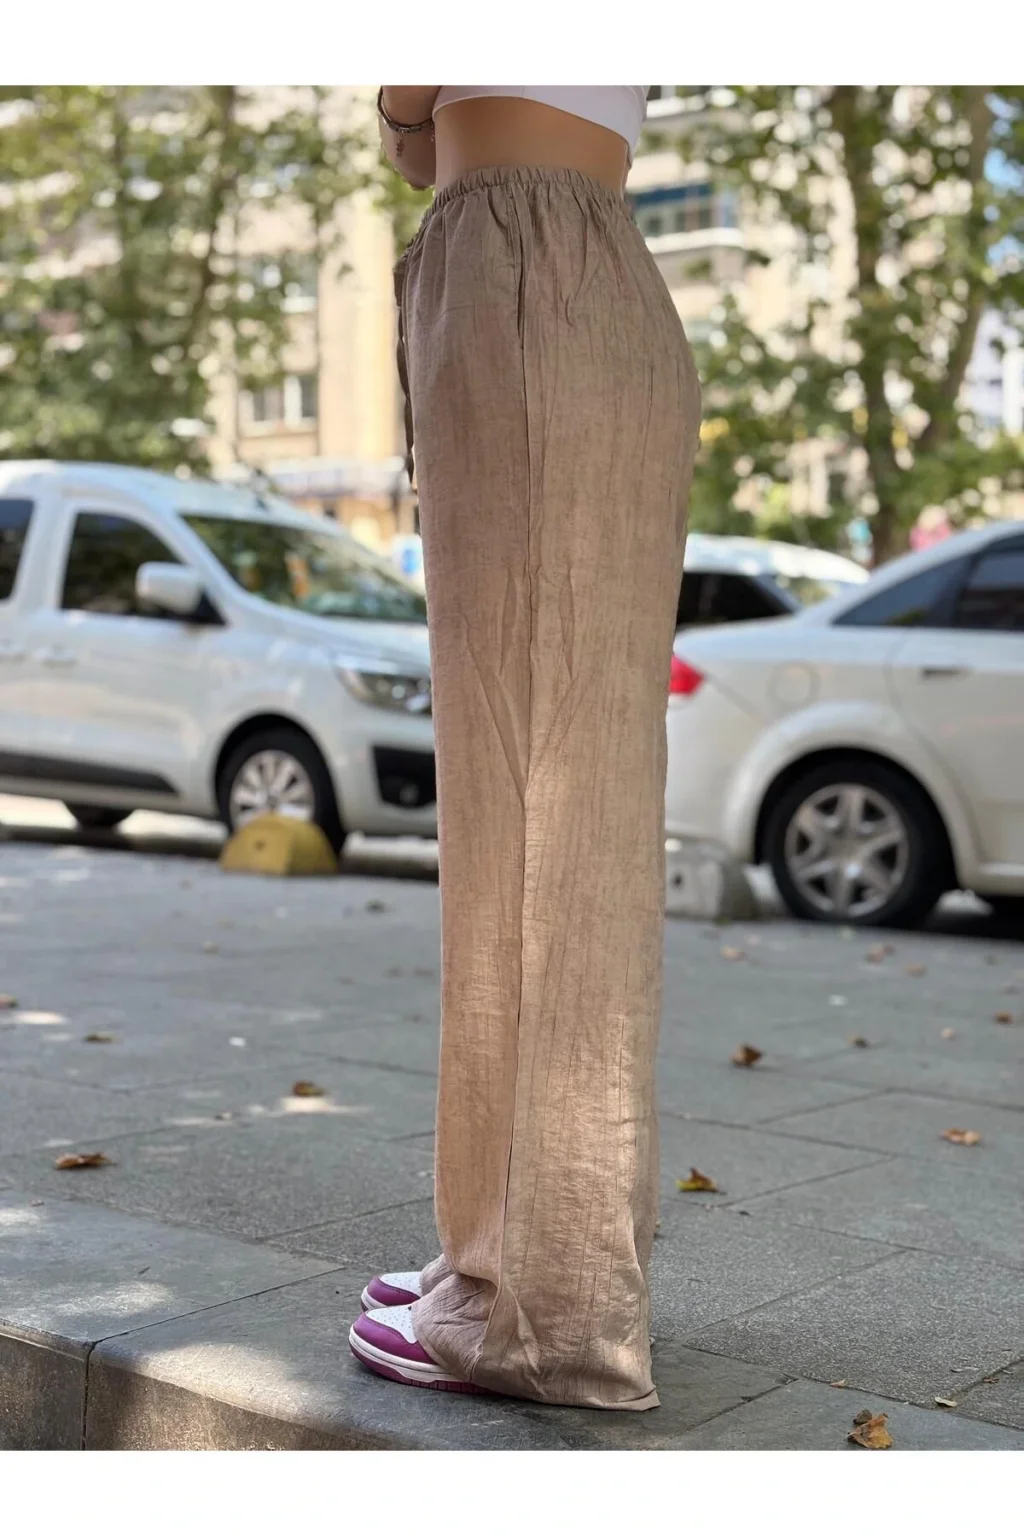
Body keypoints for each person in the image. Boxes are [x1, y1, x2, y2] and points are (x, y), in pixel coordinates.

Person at [349, 86, 701, 1411]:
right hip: (593, 279)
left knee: (526, 815)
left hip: (515, 281)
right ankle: (526, 1264)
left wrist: (396, 101)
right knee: (581, 810)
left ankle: (537, 1315)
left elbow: (414, 134)